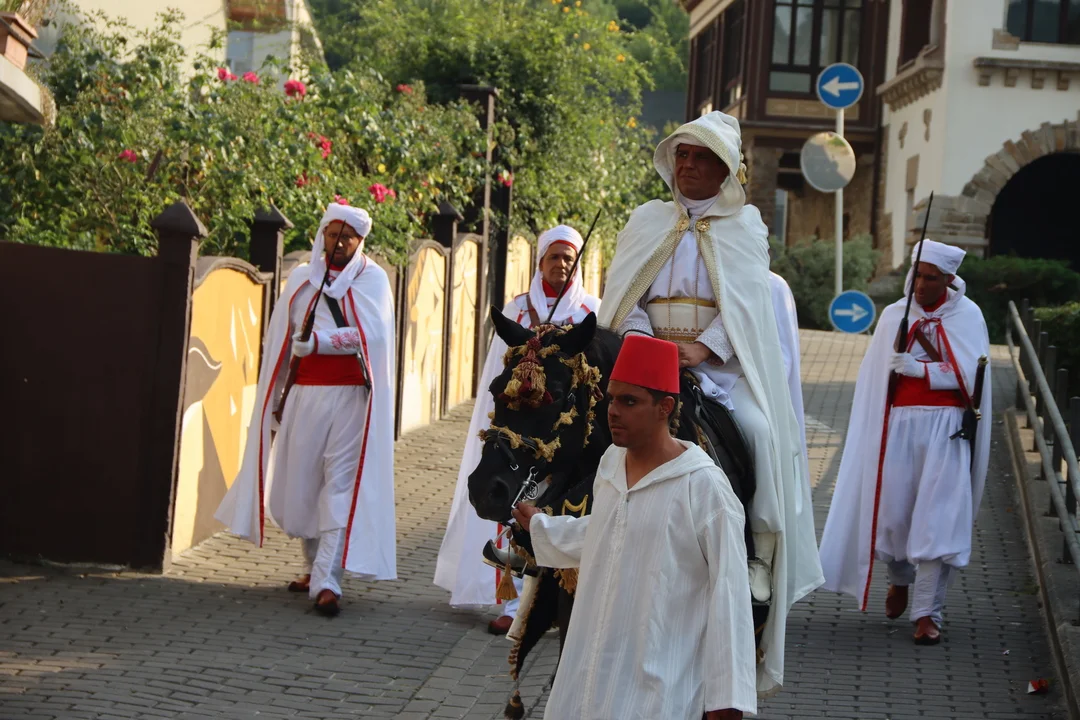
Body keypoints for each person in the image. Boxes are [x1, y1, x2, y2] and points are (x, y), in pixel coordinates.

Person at [597, 110, 822, 694]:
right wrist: (648, 345)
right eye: (682, 154)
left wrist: (702, 348)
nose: (689, 165)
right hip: (646, 359)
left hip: (718, 367)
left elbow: (747, 308)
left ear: (726, 170)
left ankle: (757, 554)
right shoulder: (645, 220)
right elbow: (625, 297)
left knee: (759, 432)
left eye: (702, 157)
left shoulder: (746, 228)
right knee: (591, 425)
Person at [511, 334, 756, 719]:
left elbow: (730, 594)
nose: (613, 411)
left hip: (658, 690)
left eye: (630, 402)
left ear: (665, 407)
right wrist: (544, 529)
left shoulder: (704, 488)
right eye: (612, 399)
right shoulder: (611, 462)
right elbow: (608, 531)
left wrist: (726, 701)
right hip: (590, 678)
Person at [215, 201, 397, 617]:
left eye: (347, 237)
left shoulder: (373, 280)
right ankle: (314, 566)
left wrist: (320, 343)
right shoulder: (301, 279)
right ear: (322, 236)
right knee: (302, 484)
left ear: (360, 240)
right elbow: (282, 342)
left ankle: (328, 580)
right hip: (303, 396)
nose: (338, 243)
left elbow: (372, 336)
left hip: (351, 399)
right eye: (332, 235)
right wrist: (274, 399)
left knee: (339, 483)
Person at [819, 239, 992, 645]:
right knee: (893, 514)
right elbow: (874, 378)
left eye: (931, 278)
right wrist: (895, 369)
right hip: (898, 424)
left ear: (949, 279)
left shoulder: (968, 315)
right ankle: (899, 578)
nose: (921, 286)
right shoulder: (895, 315)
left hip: (946, 427)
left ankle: (927, 613)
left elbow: (975, 376)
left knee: (938, 517)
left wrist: (926, 371)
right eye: (917, 276)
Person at [434, 225, 600, 635]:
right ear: (540, 262)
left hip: (562, 430)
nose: (561, 264)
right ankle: (513, 603)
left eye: (568, 257)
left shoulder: (592, 311)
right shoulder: (518, 310)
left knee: (559, 511)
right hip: (517, 428)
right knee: (513, 505)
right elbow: (499, 367)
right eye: (553, 256)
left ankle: (554, 602)